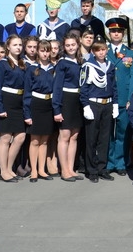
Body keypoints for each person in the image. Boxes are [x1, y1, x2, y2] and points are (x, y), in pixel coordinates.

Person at [105, 17, 133, 176]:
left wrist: (131, 99)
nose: (116, 34)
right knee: (107, 133)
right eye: (113, 31)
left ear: (123, 33)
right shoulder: (103, 51)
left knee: (122, 133)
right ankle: (108, 162)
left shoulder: (131, 53)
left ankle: (120, 163)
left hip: (124, 99)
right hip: (107, 99)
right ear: (109, 33)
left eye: (119, 31)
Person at [0, 35, 28, 183]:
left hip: (19, 103)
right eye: (15, 45)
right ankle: (3, 171)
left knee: (20, 136)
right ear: (8, 47)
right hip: (6, 101)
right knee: (5, 137)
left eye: (20, 44)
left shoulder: (22, 64)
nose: (18, 47)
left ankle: (8, 167)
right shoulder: (2, 65)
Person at [80, 41, 118, 183]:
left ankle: (102, 168)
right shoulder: (88, 66)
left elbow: (113, 86)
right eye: (98, 50)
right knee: (91, 139)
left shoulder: (110, 66)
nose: (101, 52)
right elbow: (83, 87)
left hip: (107, 104)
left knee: (104, 138)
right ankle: (92, 170)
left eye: (103, 49)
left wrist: (114, 104)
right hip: (93, 104)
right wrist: (85, 105)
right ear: (93, 52)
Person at [52, 33, 84, 182]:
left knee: (74, 136)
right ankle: (64, 169)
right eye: (68, 45)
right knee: (64, 136)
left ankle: (71, 169)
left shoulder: (80, 62)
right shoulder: (62, 63)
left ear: (77, 44)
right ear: (64, 47)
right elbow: (57, 87)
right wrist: (57, 109)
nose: (71, 47)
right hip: (66, 100)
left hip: (78, 101)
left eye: (73, 44)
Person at [23, 40, 56, 182]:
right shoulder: (32, 69)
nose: (44, 53)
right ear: (38, 52)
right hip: (35, 105)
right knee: (35, 140)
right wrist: (27, 113)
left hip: (48, 106)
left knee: (44, 141)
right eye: (42, 50)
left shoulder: (54, 69)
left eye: (47, 50)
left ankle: (42, 169)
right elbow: (27, 92)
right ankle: (34, 170)